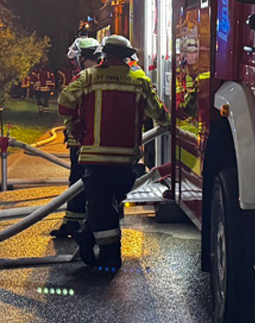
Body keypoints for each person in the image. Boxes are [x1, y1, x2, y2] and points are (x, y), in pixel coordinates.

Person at [58, 34, 169, 270]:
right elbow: (159, 115)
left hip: (94, 159)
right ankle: (103, 249)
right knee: (109, 204)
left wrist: (77, 126)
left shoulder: (87, 77)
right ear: (127, 56)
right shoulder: (139, 80)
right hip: (126, 161)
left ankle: (104, 250)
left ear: (105, 54)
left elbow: (64, 103)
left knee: (100, 204)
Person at [50, 37, 102, 239]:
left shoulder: (83, 78)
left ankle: (76, 224)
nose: (73, 64)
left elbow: (65, 106)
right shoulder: (105, 76)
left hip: (83, 141)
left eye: (75, 60)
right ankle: (80, 222)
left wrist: (75, 129)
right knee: (87, 184)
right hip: (98, 142)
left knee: (79, 182)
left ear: (83, 58)